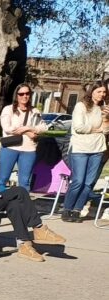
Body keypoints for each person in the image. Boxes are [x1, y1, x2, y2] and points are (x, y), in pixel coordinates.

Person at [61, 81, 109, 222]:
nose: (102, 94)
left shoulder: (104, 108)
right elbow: (78, 127)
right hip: (80, 148)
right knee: (78, 180)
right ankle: (67, 209)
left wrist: (106, 119)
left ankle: (77, 209)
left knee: (88, 183)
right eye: (99, 91)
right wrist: (97, 129)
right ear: (92, 91)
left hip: (98, 149)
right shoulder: (81, 106)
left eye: (104, 92)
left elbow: (106, 131)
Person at [0, 83, 46, 188]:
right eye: (21, 94)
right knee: (3, 179)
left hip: (29, 150)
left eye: (27, 93)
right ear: (16, 95)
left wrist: (28, 128)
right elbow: (8, 128)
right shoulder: (8, 109)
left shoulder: (34, 111)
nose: (25, 96)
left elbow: (43, 128)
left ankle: (23, 203)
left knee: (24, 181)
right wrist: (28, 132)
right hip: (10, 147)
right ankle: (0, 202)